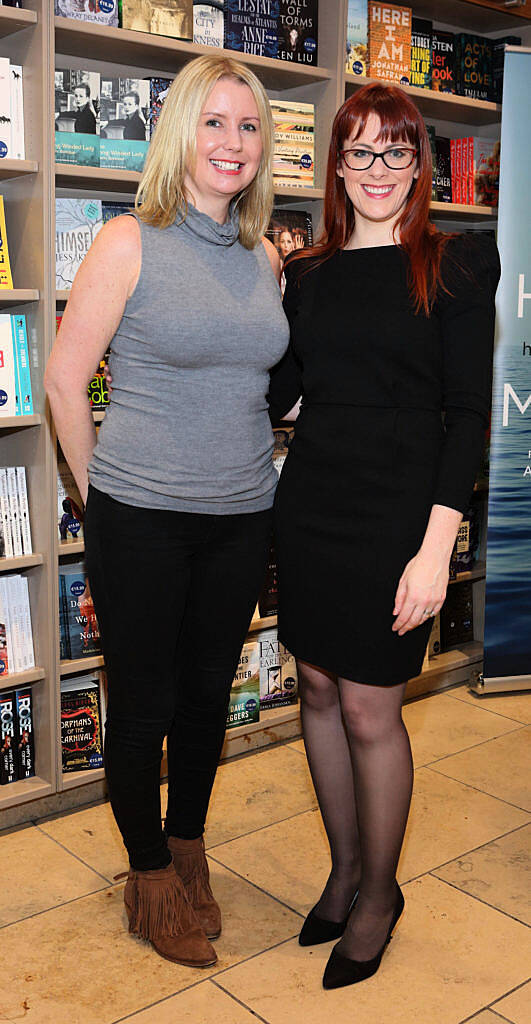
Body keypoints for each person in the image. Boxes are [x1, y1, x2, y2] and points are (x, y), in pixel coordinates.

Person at [45, 54, 288, 970]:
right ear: (180, 132)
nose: (233, 143)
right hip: (140, 516)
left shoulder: (263, 254)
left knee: (203, 703)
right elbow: (67, 383)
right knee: (141, 706)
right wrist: (97, 493)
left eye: (250, 126)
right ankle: (147, 878)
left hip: (240, 515)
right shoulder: (128, 242)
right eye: (215, 123)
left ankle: (187, 848)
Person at [268, 82, 500, 990]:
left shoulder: (451, 265)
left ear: (418, 165)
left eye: (395, 152)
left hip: (399, 519)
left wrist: (435, 547)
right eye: (358, 151)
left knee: (371, 707)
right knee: (317, 690)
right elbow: (282, 393)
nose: (376, 170)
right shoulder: (308, 273)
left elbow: (467, 413)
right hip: (314, 505)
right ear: (334, 163)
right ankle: (343, 870)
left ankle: (380, 895)